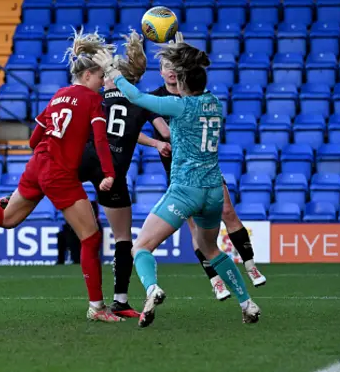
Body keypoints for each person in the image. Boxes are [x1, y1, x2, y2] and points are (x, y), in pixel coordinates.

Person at [0, 30, 123, 323]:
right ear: (87, 76)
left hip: (37, 165)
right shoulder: (92, 100)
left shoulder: (57, 96)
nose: (102, 84)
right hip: (59, 174)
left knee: (8, 220)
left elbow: (33, 140)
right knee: (91, 238)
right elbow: (101, 139)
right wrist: (108, 173)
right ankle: (97, 308)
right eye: (99, 78)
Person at [93, 44, 261, 327]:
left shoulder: (179, 106)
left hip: (186, 190)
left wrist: (112, 70)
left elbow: (135, 96)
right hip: (213, 190)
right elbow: (194, 85)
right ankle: (247, 303)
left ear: (182, 82)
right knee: (212, 249)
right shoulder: (215, 103)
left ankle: (152, 289)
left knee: (141, 247)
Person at [150, 33, 267, 301]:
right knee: (196, 230)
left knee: (228, 210)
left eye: (173, 66)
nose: (169, 71)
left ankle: (250, 265)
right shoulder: (156, 99)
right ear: (160, 72)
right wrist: (155, 144)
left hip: (207, 168)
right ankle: (215, 280)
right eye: (165, 66)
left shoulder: (195, 93)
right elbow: (164, 133)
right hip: (180, 174)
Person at [76, 30, 171, 318]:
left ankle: (18, 196)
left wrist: (152, 142)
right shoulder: (141, 100)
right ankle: (119, 300)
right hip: (113, 171)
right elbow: (163, 130)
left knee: (51, 178)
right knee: (122, 238)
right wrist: (161, 140)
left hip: (88, 158)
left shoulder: (100, 96)